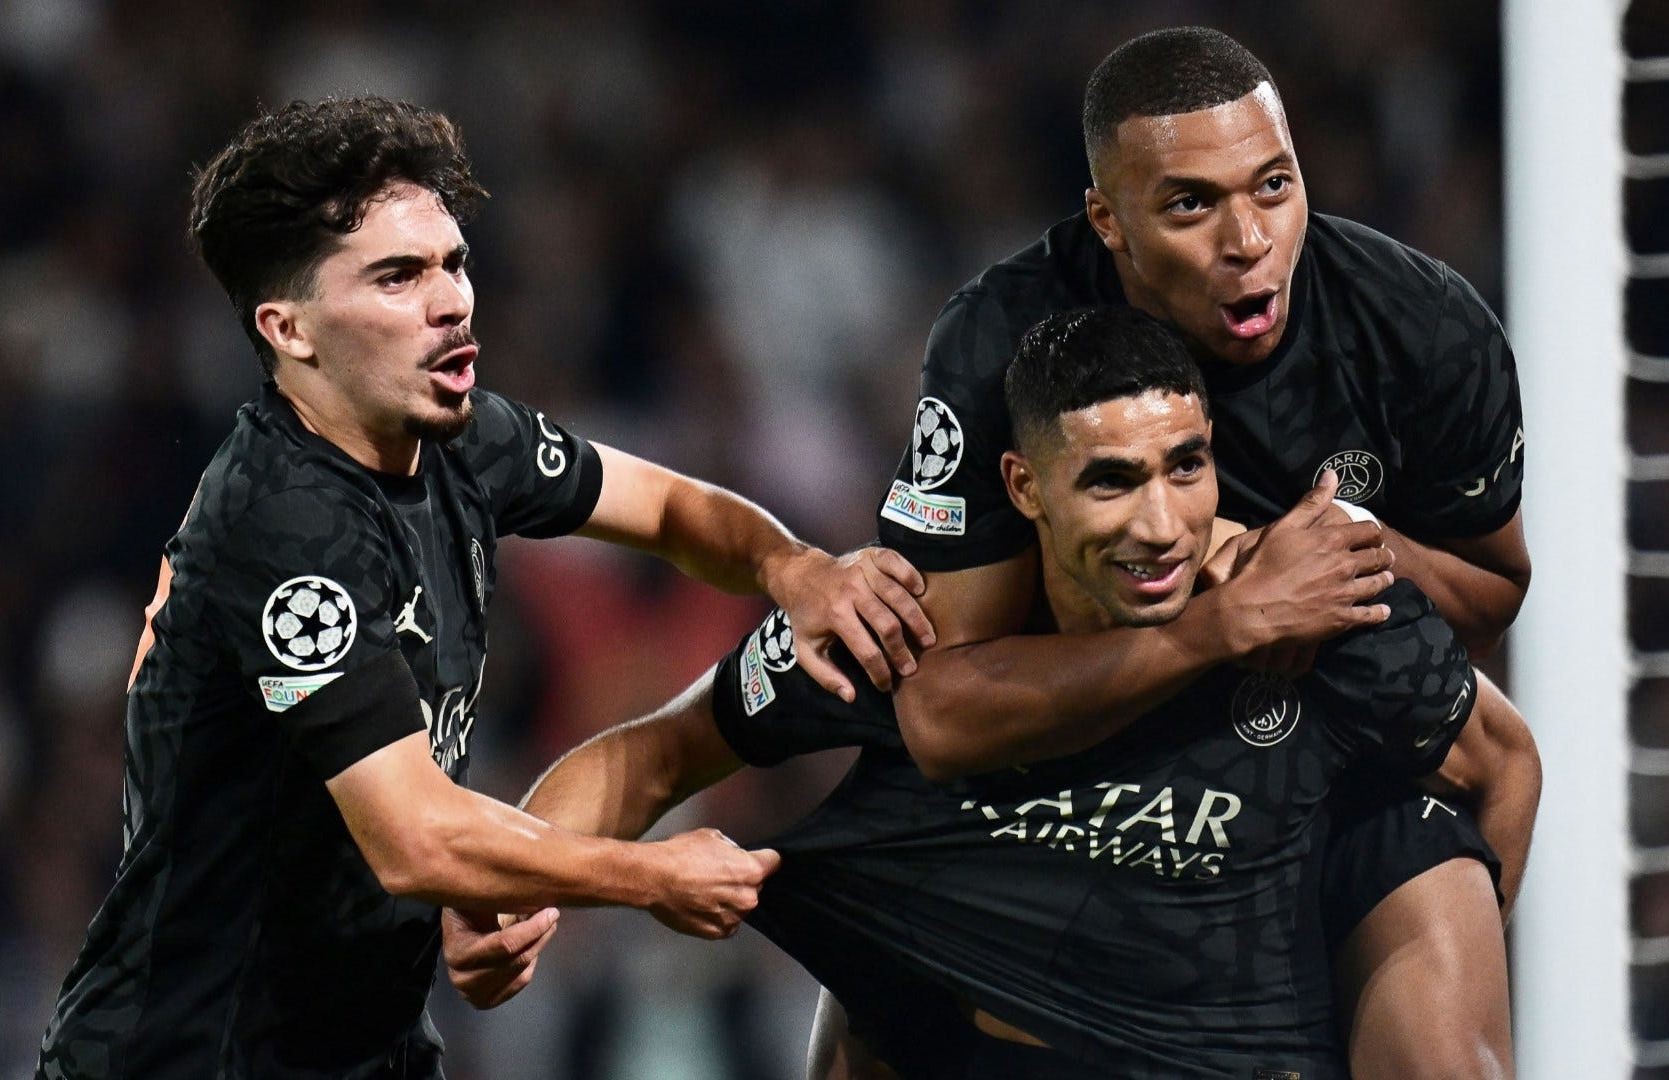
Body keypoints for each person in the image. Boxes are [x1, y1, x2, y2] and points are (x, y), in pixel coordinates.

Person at [35, 96, 931, 1080]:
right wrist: (648, 875)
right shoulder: (281, 522)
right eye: (397, 276)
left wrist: (792, 566)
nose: (452, 301)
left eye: (453, 263)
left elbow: (674, 510)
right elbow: (415, 840)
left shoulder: (464, 439)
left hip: (363, 1050)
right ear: (289, 330)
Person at [470, 307, 1538, 1077]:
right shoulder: (900, 632)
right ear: (1024, 487)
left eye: (1185, 467)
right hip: (980, 1042)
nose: (1160, 525)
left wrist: (1429, 956)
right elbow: (651, 755)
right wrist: (513, 892)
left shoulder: (1318, 607)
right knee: (876, 989)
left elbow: (1506, 766)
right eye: (1110, 481)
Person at [868, 27, 1532, 1077]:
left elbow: (1492, 614)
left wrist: (1337, 554)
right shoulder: (1002, 342)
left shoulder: (1419, 327)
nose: (1249, 239)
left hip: (1338, 750)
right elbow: (943, 714)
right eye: (1189, 205)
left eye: (1273, 185)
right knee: (872, 971)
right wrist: (1220, 622)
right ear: (1108, 220)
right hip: (1089, 756)